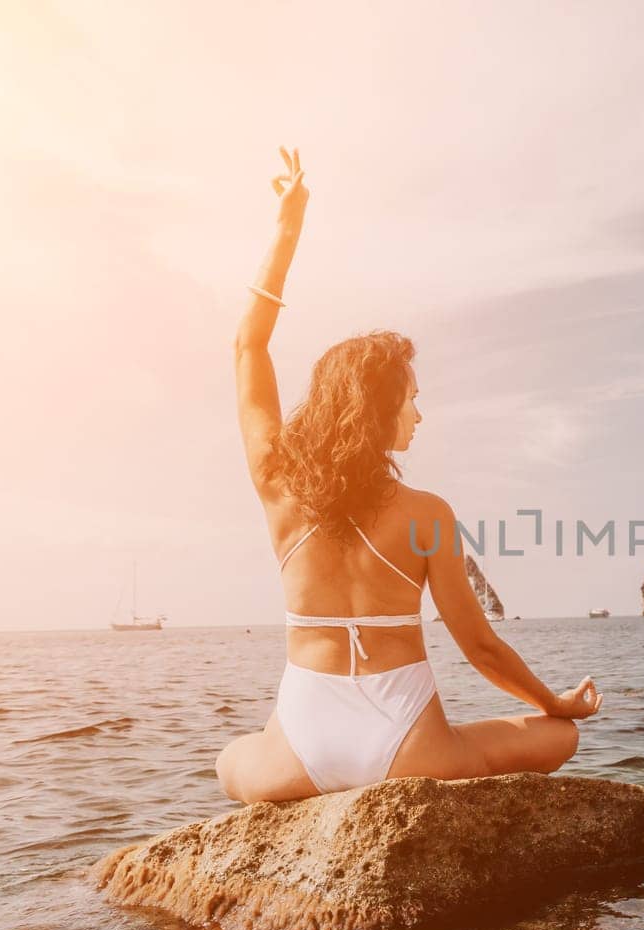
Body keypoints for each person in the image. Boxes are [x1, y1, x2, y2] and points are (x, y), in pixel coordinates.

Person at [216, 148, 603, 804]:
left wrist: (287, 230)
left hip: (301, 753)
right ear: (379, 412)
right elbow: (479, 647)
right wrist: (553, 700)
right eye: (411, 398)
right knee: (560, 737)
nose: (420, 413)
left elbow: (248, 346)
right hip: (410, 750)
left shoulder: (277, 482)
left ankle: (295, 759)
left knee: (230, 758)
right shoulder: (428, 514)